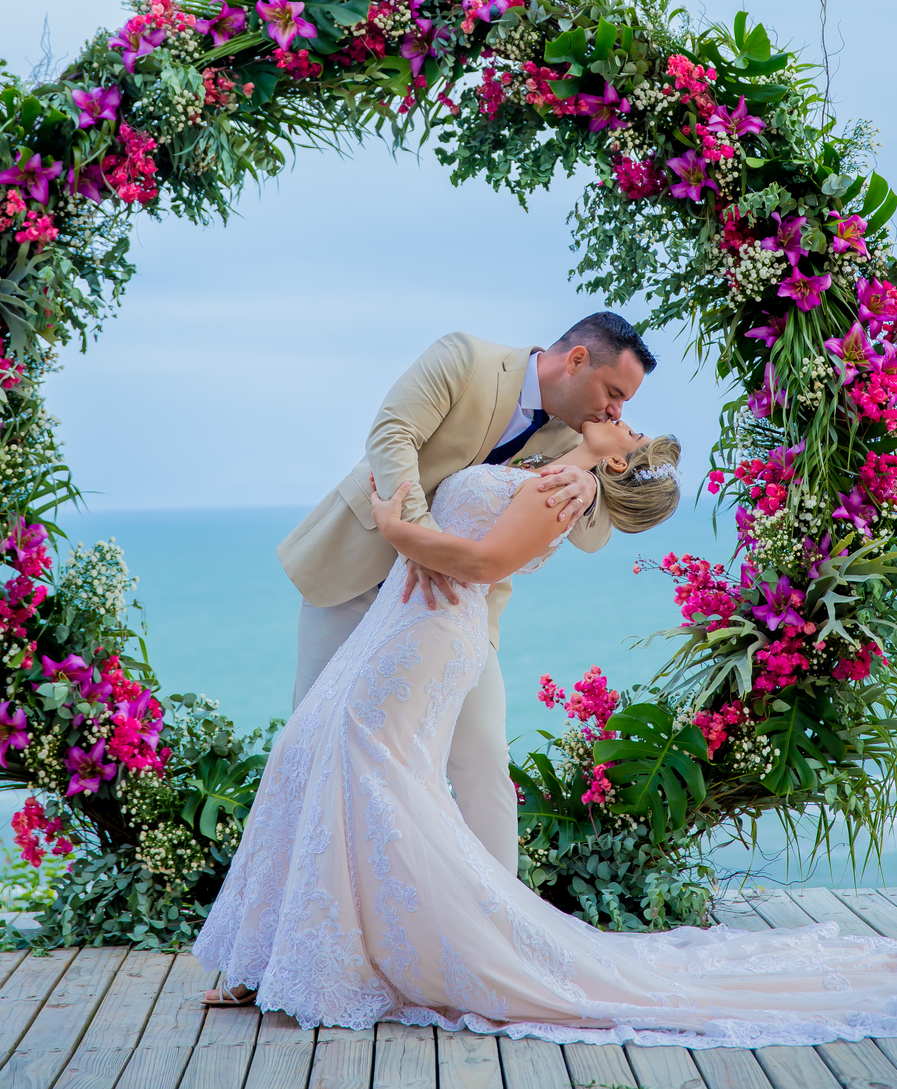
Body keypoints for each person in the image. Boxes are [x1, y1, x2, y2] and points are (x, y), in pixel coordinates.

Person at [193, 422, 897, 1044]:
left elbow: (480, 558)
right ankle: (277, 951)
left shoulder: (563, 496)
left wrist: (399, 525)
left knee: (367, 770)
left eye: (624, 422)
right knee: (312, 753)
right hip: (400, 623)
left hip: (425, 635)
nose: (614, 415)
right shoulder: (550, 464)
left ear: (620, 459)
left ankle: (341, 956)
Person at [276, 311, 654, 868]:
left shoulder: (581, 437)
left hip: (456, 608)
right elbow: (392, 434)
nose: (617, 411)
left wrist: (589, 484)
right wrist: (420, 541)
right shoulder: (466, 358)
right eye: (614, 391)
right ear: (576, 360)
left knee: (481, 761)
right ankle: (297, 906)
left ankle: (501, 925)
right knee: (310, 741)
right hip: (358, 572)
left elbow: (593, 538)